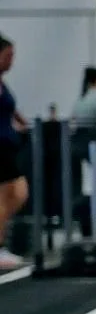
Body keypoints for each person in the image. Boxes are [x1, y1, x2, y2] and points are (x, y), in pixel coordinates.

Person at [0, 35, 29, 269]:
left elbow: (10, 108)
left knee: (19, 194)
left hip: (8, 147)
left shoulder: (3, 83)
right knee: (4, 198)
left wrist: (21, 122)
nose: (12, 61)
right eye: (8, 56)